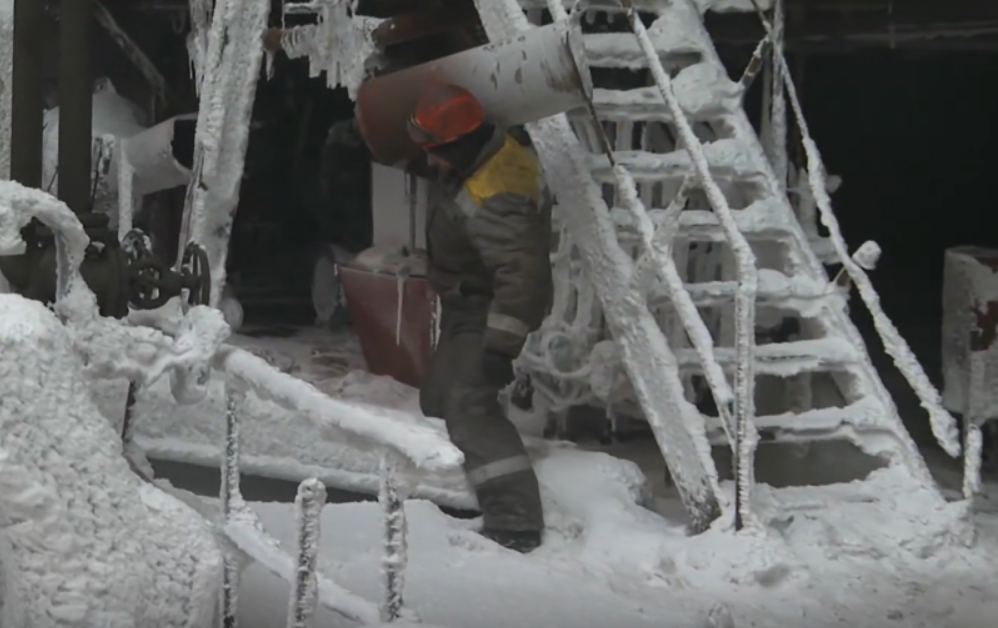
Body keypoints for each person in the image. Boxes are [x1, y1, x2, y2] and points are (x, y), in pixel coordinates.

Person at [408, 83, 553, 553]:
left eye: (434, 151)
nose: (429, 161)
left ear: (458, 145)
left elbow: (523, 278)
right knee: (437, 400)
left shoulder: (498, 194)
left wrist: (499, 347)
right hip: (464, 304)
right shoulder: (471, 160)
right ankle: (457, 494)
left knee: (469, 407)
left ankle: (515, 522)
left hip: (486, 313)